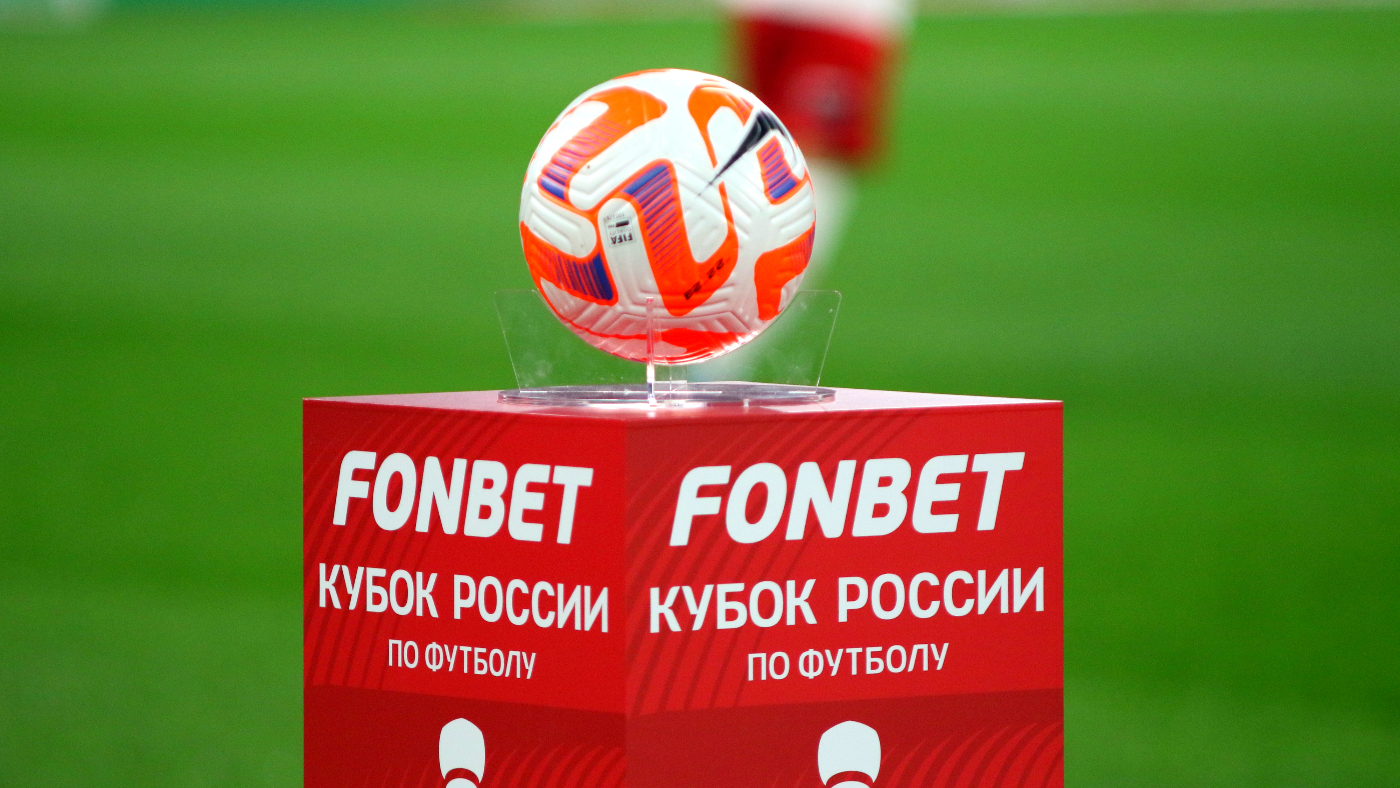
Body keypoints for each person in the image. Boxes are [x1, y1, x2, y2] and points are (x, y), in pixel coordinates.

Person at [726, 0, 914, 279]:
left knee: (804, 147)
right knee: (760, 140)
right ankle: (740, 288)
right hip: (793, 15)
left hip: (835, 16)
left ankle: (745, 289)